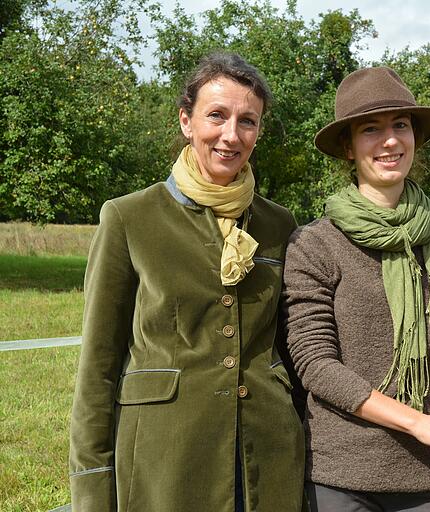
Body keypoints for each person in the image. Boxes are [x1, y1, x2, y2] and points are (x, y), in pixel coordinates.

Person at [68, 52, 305, 512]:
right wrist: (93, 487)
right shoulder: (128, 217)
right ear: (186, 121)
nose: (231, 135)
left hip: (268, 455)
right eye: (216, 115)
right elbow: (98, 365)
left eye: (248, 121)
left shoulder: (278, 223)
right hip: (165, 457)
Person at [282, 66, 430, 512]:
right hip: (341, 475)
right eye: (371, 129)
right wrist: (419, 423)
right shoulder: (314, 243)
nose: (390, 141)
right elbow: (316, 365)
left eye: (400, 125)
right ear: (348, 147)